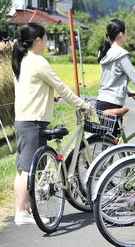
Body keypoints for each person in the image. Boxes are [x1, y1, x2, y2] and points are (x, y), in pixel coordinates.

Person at [11, 23, 91, 226]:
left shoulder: (23, 60)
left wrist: (49, 96)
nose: (46, 42)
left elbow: (32, 88)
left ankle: (24, 210)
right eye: (45, 38)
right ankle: (21, 213)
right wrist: (83, 104)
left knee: (23, 168)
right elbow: (61, 86)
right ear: (37, 40)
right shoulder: (38, 61)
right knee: (28, 170)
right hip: (33, 121)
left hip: (24, 119)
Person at [96, 19, 135, 134]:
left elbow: (110, 79)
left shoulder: (105, 52)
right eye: (126, 32)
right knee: (113, 144)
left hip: (101, 101)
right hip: (113, 103)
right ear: (120, 34)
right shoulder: (121, 54)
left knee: (108, 142)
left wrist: (129, 91)